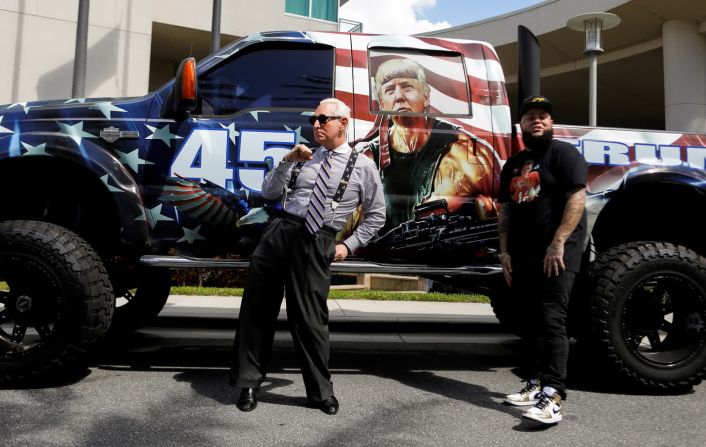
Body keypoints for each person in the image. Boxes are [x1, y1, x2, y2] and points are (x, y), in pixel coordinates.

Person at [230, 98, 386, 415]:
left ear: (343, 122)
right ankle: (248, 384)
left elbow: (376, 215)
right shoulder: (302, 157)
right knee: (257, 311)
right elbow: (269, 193)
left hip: (318, 240)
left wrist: (349, 245)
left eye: (324, 119)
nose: (316, 124)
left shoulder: (363, 166)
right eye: (314, 119)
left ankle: (319, 392)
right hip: (279, 233)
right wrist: (286, 160)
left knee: (311, 319)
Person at [497, 95, 587, 425]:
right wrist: (504, 251)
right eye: (531, 116)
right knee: (528, 318)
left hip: (558, 254)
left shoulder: (564, 154)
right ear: (520, 124)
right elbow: (505, 210)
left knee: (551, 317)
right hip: (524, 253)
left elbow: (577, 199)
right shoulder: (515, 163)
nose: (537, 121)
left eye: (544, 116)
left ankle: (554, 394)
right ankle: (535, 384)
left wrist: (558, 242)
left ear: (551, 124)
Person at [357, 58, 498, 231]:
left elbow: (501, 208)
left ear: (426, 96)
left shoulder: (464, 150)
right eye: (389, 90)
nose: (399, 97)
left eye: (407, 87)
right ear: (381, 103)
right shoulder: (368, 158)